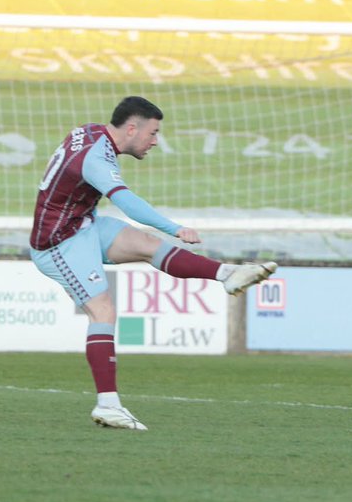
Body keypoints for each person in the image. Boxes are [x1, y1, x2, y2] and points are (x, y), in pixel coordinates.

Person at [29, 96, 277, 431]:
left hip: (83, 224)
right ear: (132, 128)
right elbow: (127, 202)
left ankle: (227, 275)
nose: (156, 141)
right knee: (103, 311)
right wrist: (175, 228)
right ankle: (108, 404)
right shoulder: (96, 159)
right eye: (153, 132)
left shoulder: (91, 134)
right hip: (58, 241)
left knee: (147, 245)